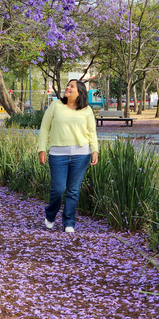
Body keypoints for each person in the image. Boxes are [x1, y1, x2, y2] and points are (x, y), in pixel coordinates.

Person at [38, 79, 99, 233]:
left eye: (72, 86)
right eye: (68, 85)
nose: (68, 88)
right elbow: (45, 128)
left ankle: (69, 222)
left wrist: (95, 150)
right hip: (58, 155)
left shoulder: (86, 110)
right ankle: (50, 215)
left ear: (80, 92)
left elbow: (92, 132)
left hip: (81, 155)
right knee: (58, 189)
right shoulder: (56, 105)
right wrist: (42, 149)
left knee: (73, 190)